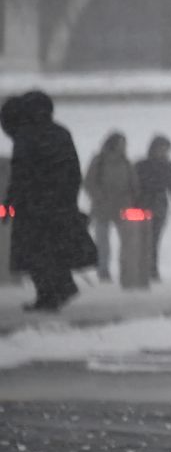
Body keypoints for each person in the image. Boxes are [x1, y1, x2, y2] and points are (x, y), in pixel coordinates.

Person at [1, 92, 90, 312]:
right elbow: (73, 170)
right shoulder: (60, 132)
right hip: (59, 203)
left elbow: (21, 175)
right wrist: (68, 198)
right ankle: (60, 288)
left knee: (34, 253)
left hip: (32, 206)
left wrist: (8, 204)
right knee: (54, 250)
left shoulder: (26, 136)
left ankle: (48, 294)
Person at [83, 131, 138, 279]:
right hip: (102, 207)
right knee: (103, 243)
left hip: (123, 207)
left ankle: (126, 270)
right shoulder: (99, 161)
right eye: (121, 143)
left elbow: (133, 184)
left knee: (127, 242)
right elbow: (89, 182)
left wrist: (132, 201)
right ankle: (103, 271)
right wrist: (99, 197)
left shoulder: (126, 162)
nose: (124, 147)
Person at [132, 135, 171, 279]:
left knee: (154, 239)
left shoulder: (169, 166)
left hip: (159, 204)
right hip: (142, 203)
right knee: (141, 240)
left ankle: (152, 269)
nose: (164, 152)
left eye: (166, 149)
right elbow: (133, 185)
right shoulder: (141, 165)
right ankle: (140, 268)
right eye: (162, 148)